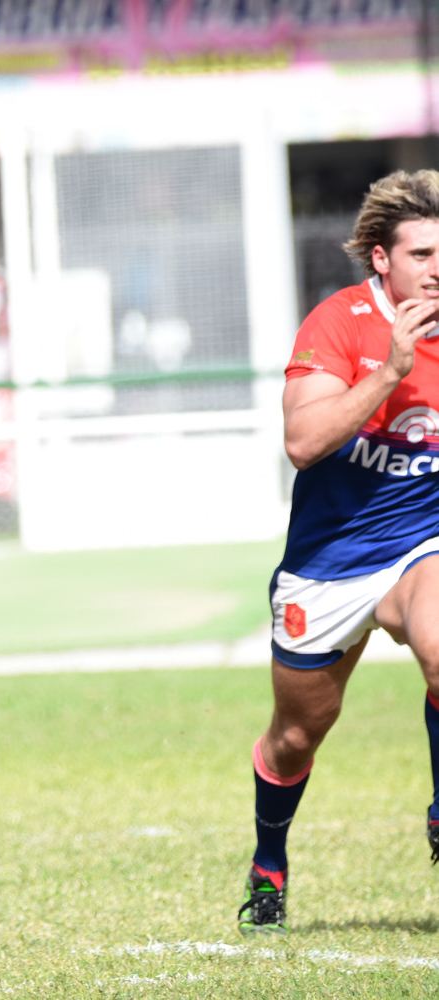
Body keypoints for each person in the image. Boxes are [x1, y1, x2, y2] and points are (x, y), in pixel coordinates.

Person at [238, 170, 439, 936]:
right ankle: (268, 864)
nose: (437, 268)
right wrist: (390, 369)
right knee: (294, 740)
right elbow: (303, 443)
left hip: (423, 545)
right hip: (331, 563)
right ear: (381, 262)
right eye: (421, 252)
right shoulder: (341, 323)